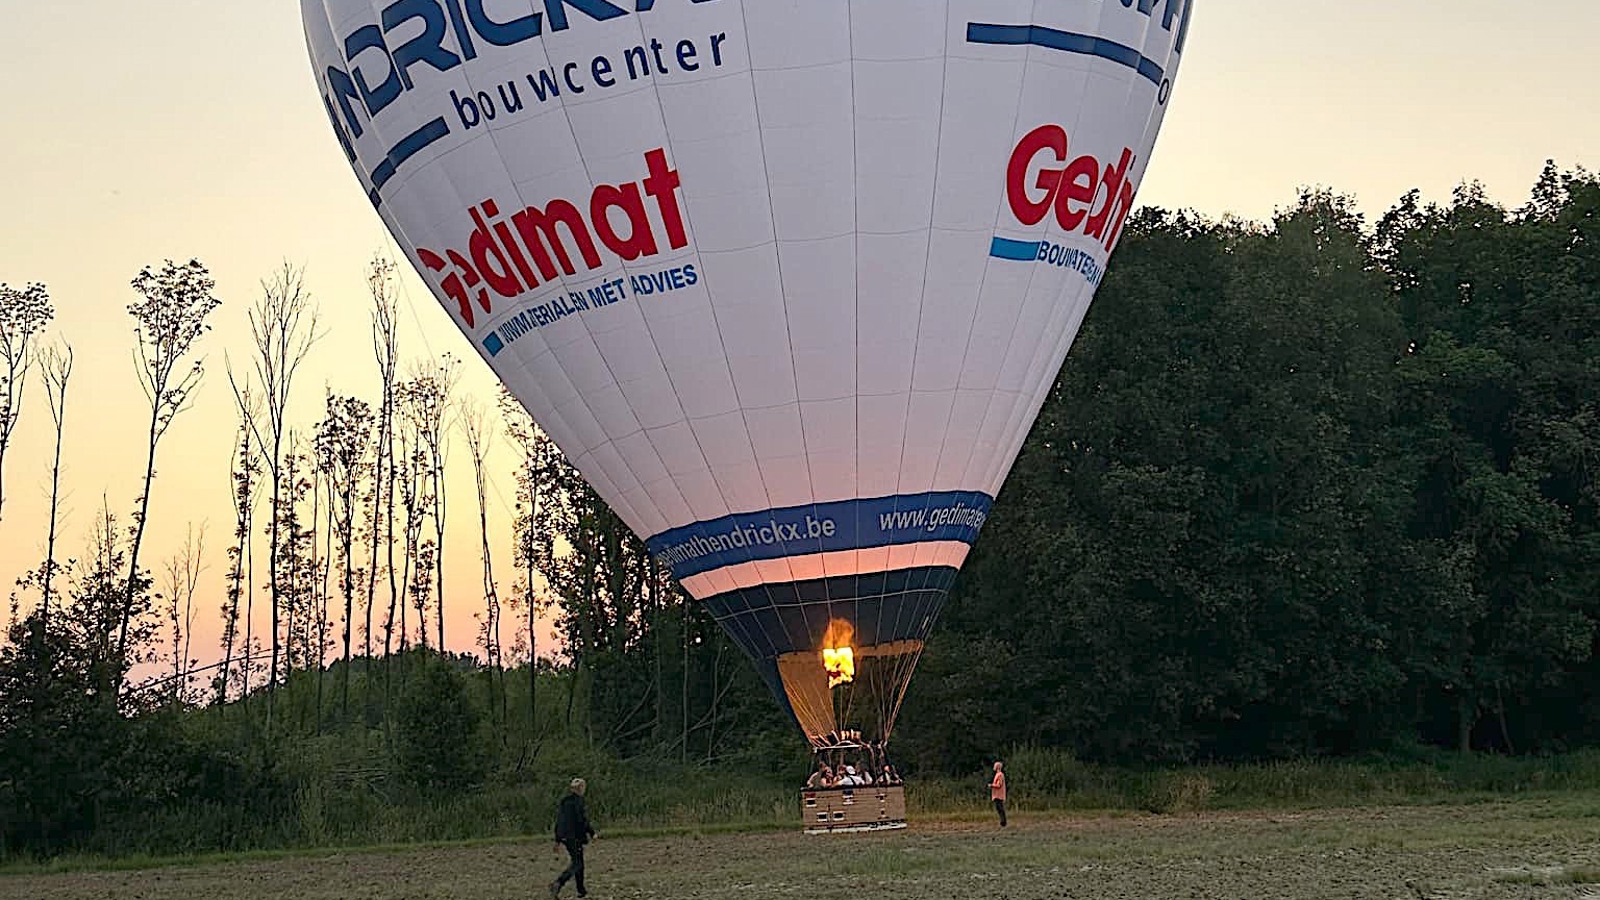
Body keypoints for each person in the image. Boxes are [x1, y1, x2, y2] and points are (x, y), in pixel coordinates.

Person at [550, 778, 596, 898]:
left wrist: (557, 839)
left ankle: (581, 890)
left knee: (579, 861)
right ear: (580, 788)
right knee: (577, 863)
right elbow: (582, 820)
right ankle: (559, 882)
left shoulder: (564, 802)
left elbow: (559, 821)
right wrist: (591, 832)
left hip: (564, 836)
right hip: (573, 837)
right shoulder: (578, 802)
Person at [990, 761, 1007, 827]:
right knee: (999, 808)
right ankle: (1002, 821)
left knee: (1000, 808)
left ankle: (1003, 822)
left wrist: (992, 785)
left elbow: (999, 785)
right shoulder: (998, 774)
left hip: (999, 795)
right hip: (996, 794)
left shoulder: (1000, 775)